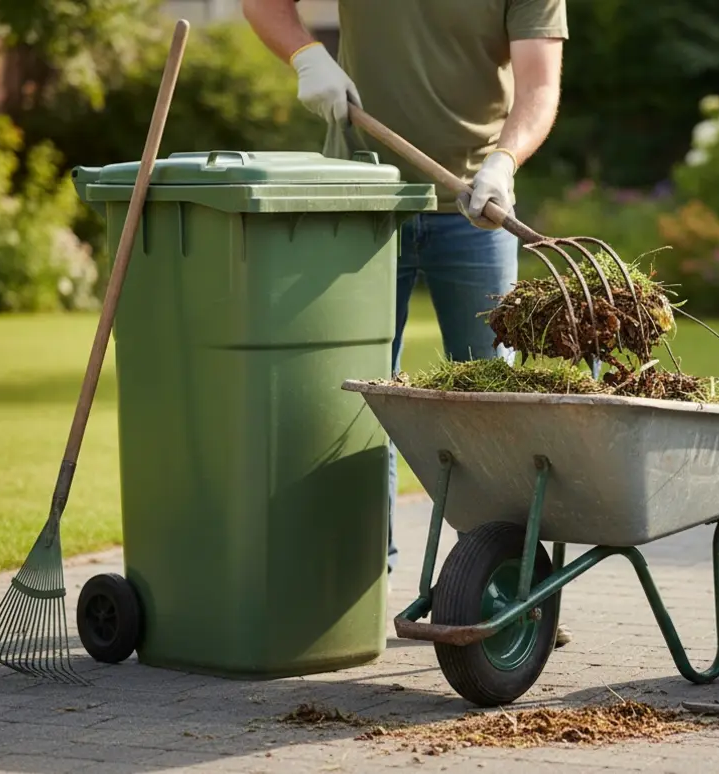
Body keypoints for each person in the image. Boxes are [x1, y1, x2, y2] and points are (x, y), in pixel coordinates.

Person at [243, 0, 572, 647]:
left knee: (492, 403)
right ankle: (361, 584)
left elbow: (539, 85)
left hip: (473, 205)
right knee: (359, 400)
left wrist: (503, 163)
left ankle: (511, 581)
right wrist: (307, 56)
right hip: (362, 196)